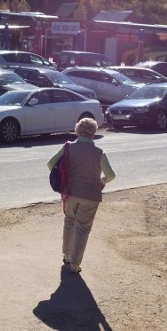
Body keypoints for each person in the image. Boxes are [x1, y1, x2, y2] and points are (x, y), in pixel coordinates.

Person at [46, 117, 115, 274]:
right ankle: (75, 264)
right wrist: (102, 181)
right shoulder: (99, 153)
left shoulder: (68, 147)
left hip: (70, 192)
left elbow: (50, 164)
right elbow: (110, 175)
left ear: (77, 130)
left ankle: (67, 254)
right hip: (91, 195)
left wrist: (64, 175)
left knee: (69, 221)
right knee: (83, 229)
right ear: (94, 132)